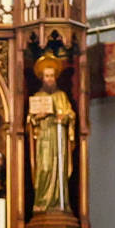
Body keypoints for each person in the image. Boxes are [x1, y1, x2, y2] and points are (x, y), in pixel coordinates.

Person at [27, 54, 76, 216]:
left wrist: (65, 117)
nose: (49, 79)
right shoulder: (37, 97)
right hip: (44, 139)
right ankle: (41, 202)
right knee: (45, 168)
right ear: (42, 78)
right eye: (46, 76)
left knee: (59, 170)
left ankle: (59, 203)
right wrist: (36, 118)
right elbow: (29, 121)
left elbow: (71, 114)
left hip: (58, 137)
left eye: (52, 76)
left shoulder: (61, 96)